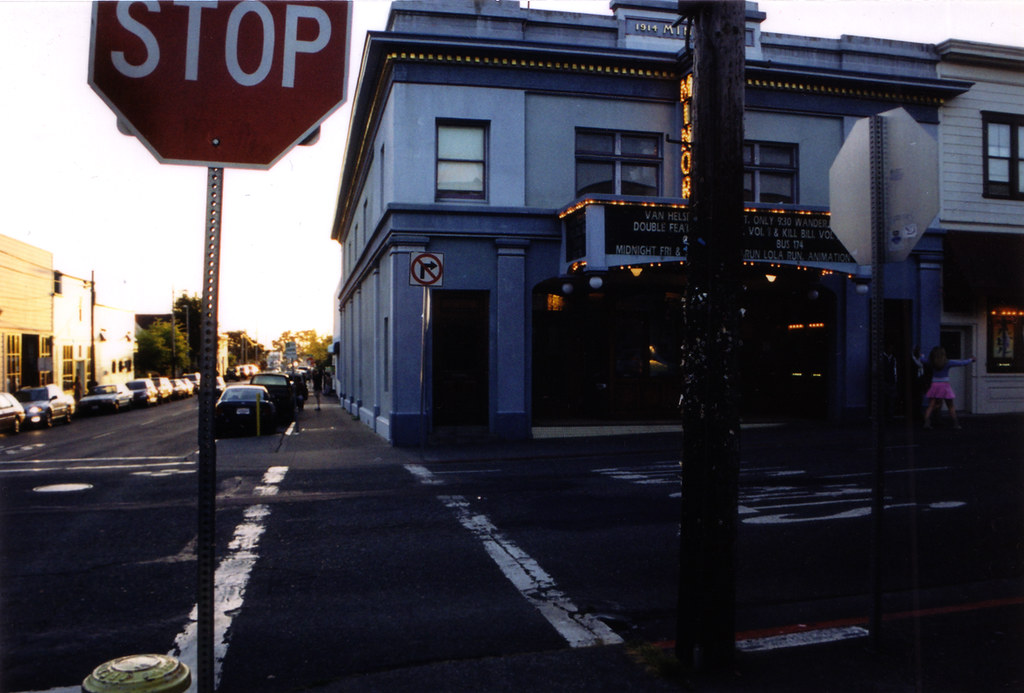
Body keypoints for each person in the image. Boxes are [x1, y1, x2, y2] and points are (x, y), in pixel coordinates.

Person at [922, 346, 975, 429]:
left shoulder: (931, 362)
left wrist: (921, 356)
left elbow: (922, 360)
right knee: (950, 406)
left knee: (931, 405)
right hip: (944, 385)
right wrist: (971, 360)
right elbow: (961, 363)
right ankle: (956, 424)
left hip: (935, 384)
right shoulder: (947, 362)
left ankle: (927, 423)